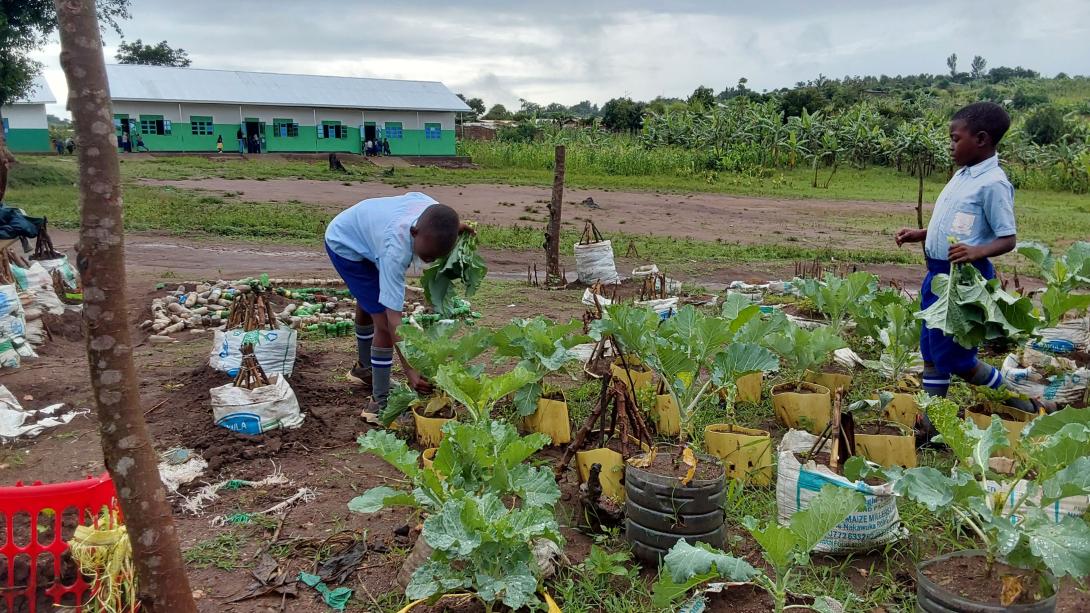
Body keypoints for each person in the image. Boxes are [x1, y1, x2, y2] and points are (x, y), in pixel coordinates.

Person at [895, 102, 1037, 439]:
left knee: (958, 360)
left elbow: (1007, 237)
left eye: (955, 139)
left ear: (982, 139)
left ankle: (1027, 406)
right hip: (938, 278)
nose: (950, 145)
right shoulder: (963, 175)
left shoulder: (993, 184)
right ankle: (932, 428)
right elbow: (954, 225)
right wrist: (922, 234)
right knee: (931, 352)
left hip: (962, 283)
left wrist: (976, 252)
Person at [324, 192, 473, 415]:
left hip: (366, 233)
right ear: (414, 233)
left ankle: (364, 369)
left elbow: (445, 224)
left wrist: (459, 228)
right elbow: (394, 321)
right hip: (345, 244)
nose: (428, 261)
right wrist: (410, 370)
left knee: (369, 302)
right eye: (427, 255)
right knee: (382, 321)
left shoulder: (434, 214)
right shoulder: (395, 251)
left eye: (435, 257)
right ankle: (379, 404)